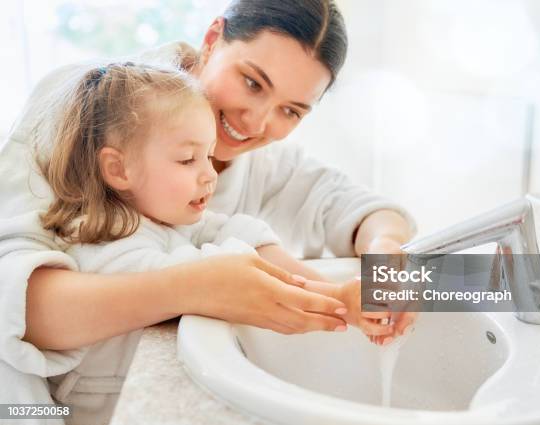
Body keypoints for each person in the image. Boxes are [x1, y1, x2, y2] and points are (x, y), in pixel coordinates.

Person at [0, 0, 416, 417]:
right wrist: (194, 287)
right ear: (213, 39)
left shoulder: (262, 165)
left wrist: (384, 250)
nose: (255, 124)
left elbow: (351, 206)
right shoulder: (86, 110)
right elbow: (15, 302)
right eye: (252, 83)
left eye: (290, 111)